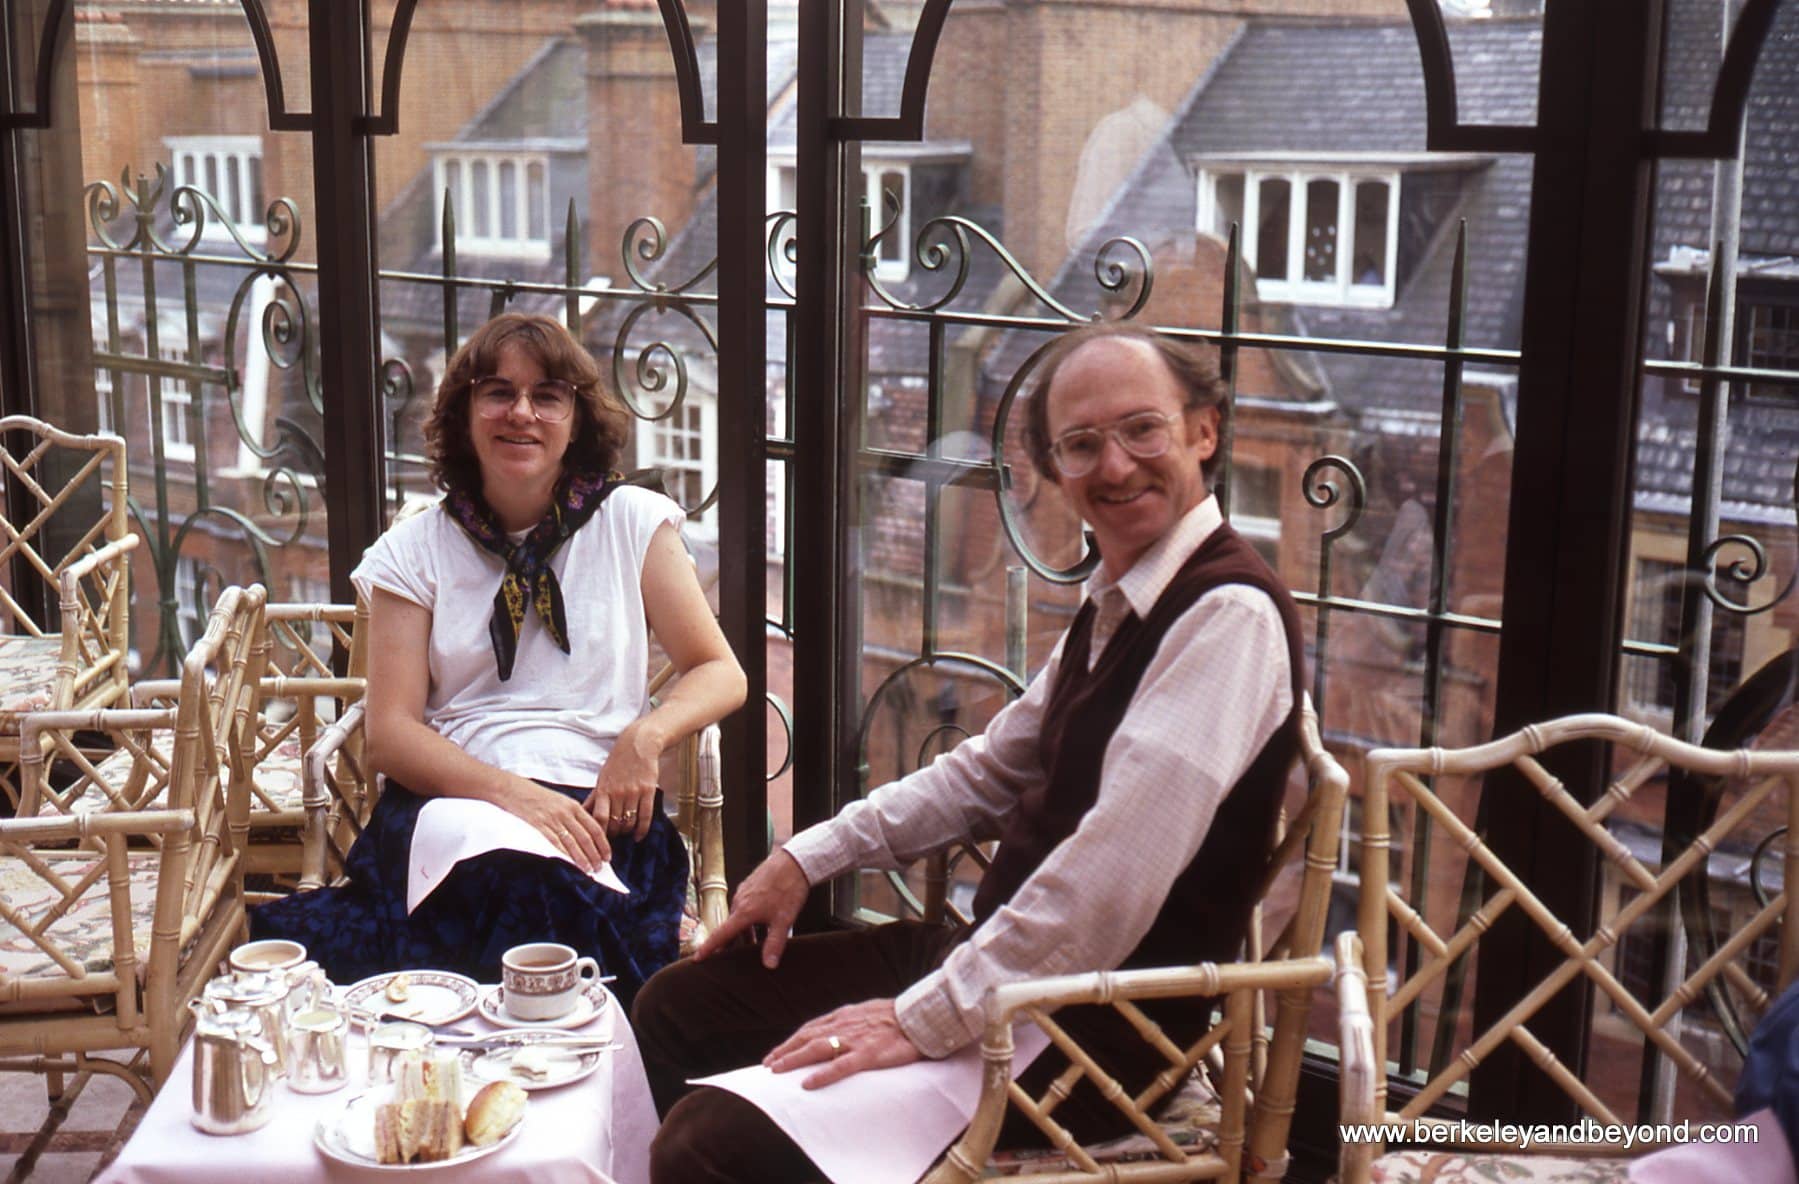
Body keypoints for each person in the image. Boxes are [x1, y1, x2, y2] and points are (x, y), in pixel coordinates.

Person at [633, 320, 1305, 1182]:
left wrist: (921, 1019)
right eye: (1080, 443)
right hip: (1001, 969)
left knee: (709, 1145)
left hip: (1091, 1032)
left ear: (1203, 430)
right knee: (679, 1006)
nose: (1112, 465)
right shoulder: (1127, 598)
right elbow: (986, 770)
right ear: (1056, 469)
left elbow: (1106, 885)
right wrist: (806, 857)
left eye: (1142, 429)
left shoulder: (1225, 617)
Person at [252, 312, 746, 1006]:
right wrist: (519, 799)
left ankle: (489, 1071)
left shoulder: (634, 521)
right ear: (463, 413)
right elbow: (391, 735)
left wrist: (646, 735)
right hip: (454, 795)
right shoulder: (414, 549)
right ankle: (556, 1057)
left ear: (576, 419)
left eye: (547, 395)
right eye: (497, 392)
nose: (522, 413)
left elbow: (721, 671)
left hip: (598, 801)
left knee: (540, 887)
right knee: (517, 880)